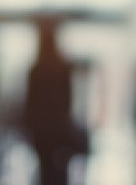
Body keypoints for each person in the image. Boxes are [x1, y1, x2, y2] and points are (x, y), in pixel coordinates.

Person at [24, 20, 86, 185]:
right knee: (60, 168)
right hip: (58, 128)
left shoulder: (36, 70)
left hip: (41, 130)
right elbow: (68, 101)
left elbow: (30, 103)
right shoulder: (62, 69)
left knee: (44, 170)